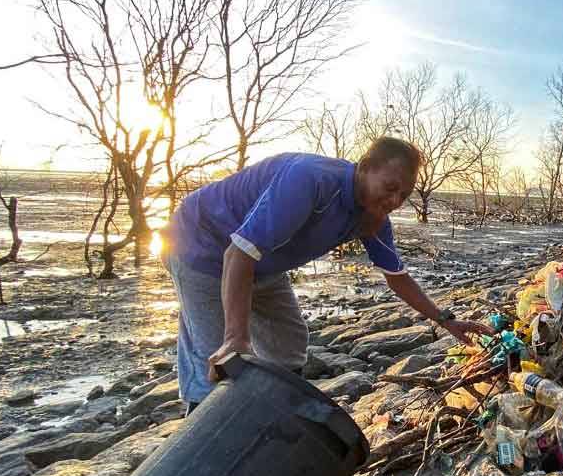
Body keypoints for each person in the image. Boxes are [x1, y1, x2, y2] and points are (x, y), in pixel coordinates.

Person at [161, 137, 493, 414]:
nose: (394, 201)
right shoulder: (310, 180)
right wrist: (236, 335)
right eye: (390, 187)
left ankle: (277, 416)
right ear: (364, 168)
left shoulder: (373, 216)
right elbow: (238, 252)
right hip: (201, 245)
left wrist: (445, 318)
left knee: (289, 343)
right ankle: (199, 444)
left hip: (261, 262)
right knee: (221, 359)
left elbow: (397, 276)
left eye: (404, 195)